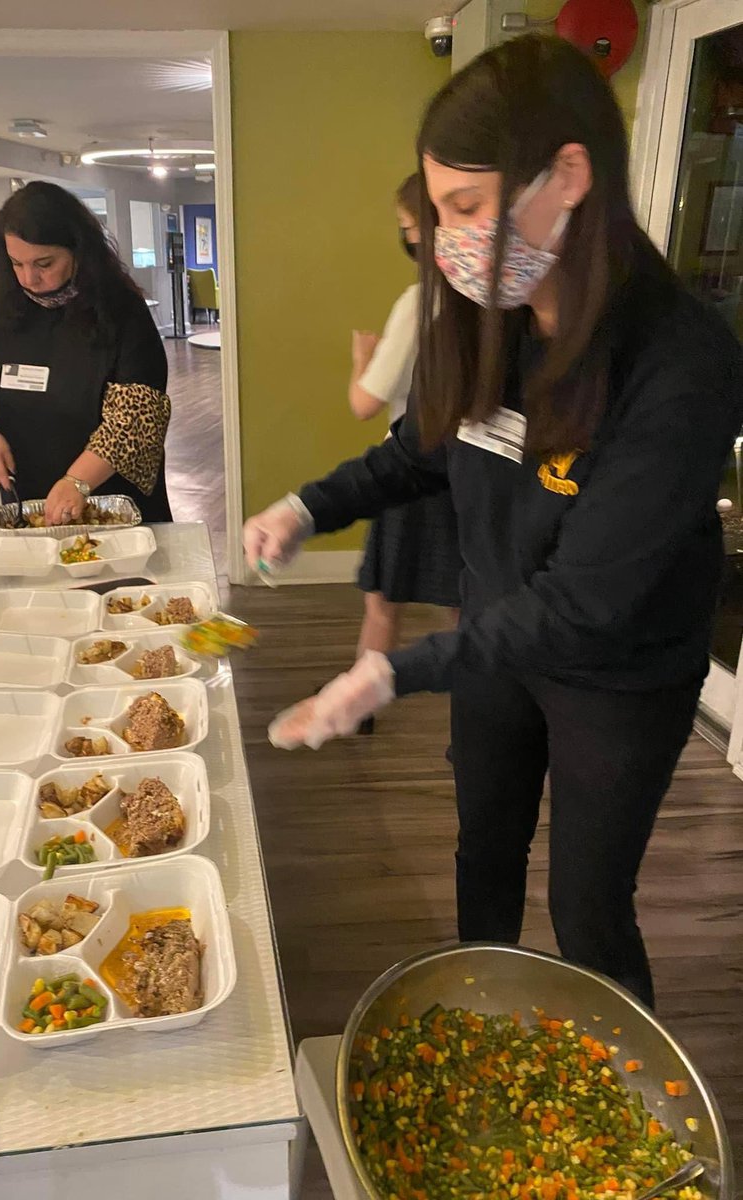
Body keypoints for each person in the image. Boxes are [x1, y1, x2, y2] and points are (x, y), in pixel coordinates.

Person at [243, 34, 743, 1008]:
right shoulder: (489, 314)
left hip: (619, 672)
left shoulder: (681, 362)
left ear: (567, 176)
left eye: (466, 207)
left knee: (590, 903)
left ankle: (623, 1125)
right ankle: (488, 1026)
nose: (446, 238)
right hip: (499, 643)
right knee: (485, 852)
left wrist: (392, 668)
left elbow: (588, 602)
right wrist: (309, 505)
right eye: (436, 212)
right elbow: (416, 451)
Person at [0, 181, 172, 525]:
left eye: (44, 263)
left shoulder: (121, 310)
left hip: (109, 497)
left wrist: (77, 481)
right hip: (28, 492)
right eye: (16, 264)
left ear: (78, 250)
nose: (29, 278)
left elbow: (136, 419)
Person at [349, 174, 461, 735]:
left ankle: (361, 705)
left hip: (412, 471)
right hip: (469, 475)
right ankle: (484, 714)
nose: (408, 238)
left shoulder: (420, 300)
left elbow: (365, 404)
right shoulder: (490, 300)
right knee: (465, 606)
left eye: (410, 228)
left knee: (384, 601)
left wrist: (362, 359)